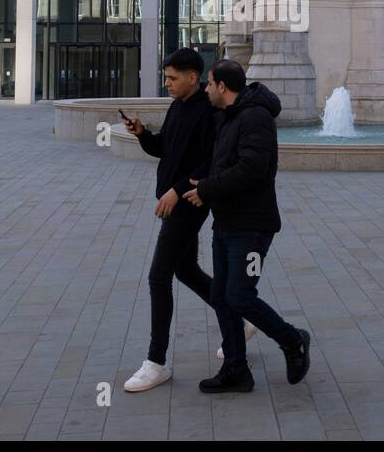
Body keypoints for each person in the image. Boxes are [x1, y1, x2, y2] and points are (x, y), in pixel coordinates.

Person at [121, 48, 252, 393]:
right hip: (174, 200)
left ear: (193, 78)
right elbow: (165, 147)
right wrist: (141, 134)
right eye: (166, 77)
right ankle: (242, 320)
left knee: (158, 276)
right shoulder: (177, 106)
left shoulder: (210, 113)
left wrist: (177, 191)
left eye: (171, 78)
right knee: (185, 270)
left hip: (189, 203)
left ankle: (156, 362)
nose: (167, 83)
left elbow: (209, 163)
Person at [181, 59, 311, 394]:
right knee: (221, 296)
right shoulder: (228, 117)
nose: (206, 89)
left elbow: (252, 168)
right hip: (226, 221)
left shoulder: (255, 118)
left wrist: (208, 189)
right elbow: (224, 163)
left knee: (239, 295)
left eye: (209, 84)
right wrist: (205, 181)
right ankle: (236, 369)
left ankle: (292, 339)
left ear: (223, 86)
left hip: (252, 226)